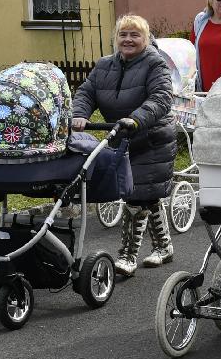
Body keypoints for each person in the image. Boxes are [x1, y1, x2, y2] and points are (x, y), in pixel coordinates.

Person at [72, 14, 177, 277]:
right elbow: (87, 91)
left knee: (135, 197)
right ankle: (164, 247)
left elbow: (162, 97)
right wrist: (80, 114)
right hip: (122, 137)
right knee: (147, 195)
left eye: (135, 35)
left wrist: (136, 118)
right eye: (123, 34)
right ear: (116, 38)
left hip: (152, 137)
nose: (128, 39)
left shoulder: (156, 64)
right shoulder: (105, 65)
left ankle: (127, 256)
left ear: (145, 38)